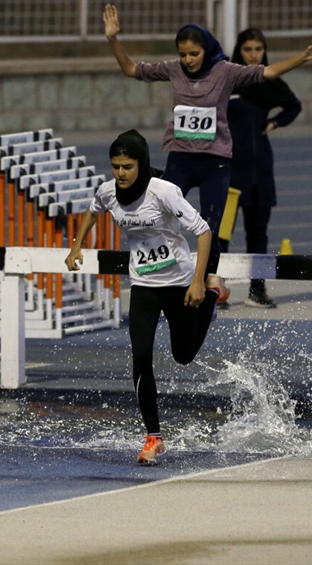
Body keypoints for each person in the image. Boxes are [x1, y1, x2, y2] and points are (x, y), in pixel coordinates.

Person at [103, 4, 312, 280]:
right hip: (181, 159)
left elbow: (268, 72)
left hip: (215, 164)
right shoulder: (173, 69)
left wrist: (304, 57)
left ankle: (206, 281)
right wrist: (113, 39)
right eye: (183, 54)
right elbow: (130, 69)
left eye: (194, 54)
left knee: (210, 227)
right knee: (156, 215)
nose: (188, 60)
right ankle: (160, 275)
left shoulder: (225, 71)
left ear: (207, 50)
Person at [65, 129, 228, 465]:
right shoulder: (108, 192)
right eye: (115, 166)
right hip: (143, 285)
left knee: (183, 355)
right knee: (140, 356)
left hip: (179, 282)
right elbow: (92, 211)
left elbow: (204, 231)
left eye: (127, 166)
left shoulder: (164, 191)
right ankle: (153, 437)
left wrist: (198, 282)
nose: (120, 173)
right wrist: (76, 246)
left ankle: (213, 293)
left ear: (141, 164)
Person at [222, 28, 303, 309]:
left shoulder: (271, 82)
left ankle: (257, 290)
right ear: (239, 51)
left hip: (260, 172)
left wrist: (276, 122)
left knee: (258, 234)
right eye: (248, 49)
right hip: (230, 171)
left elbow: (294, 106)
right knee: (222, 233)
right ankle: (216, 288)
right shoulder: (228, 81)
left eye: (258, 49)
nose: (254, 55)